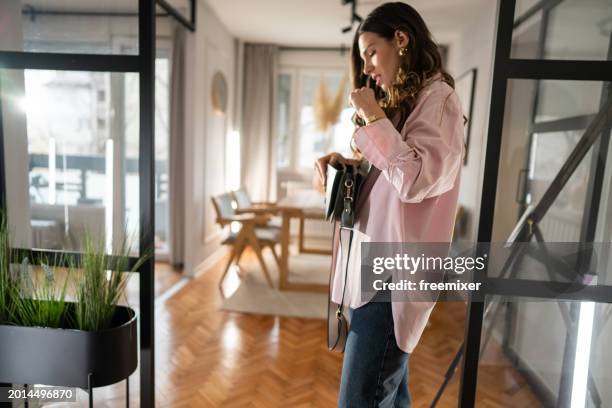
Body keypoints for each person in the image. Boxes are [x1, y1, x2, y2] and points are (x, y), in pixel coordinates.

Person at [313, 3, 465, 407]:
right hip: (375, 271)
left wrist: (373, 117)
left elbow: (415, 180)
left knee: (361, 399)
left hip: (391, 278)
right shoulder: (411, 102)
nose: (366, 69)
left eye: (370, 52)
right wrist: (347, 165)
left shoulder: (441, 101)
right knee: (390, 394)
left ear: (401, 38)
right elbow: (390, 178)